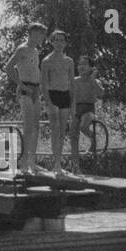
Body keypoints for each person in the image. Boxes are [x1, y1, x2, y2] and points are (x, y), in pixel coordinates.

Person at [6, 22, 48, 175]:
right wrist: (21, 85)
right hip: (26, 89)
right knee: (28, 126)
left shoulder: (36, 50)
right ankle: (23, 163)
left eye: (42, 35)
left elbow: (34, 69)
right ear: (30, 33)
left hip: (36, 89)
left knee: (36, 127)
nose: (40, 38)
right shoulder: (22, 49)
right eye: (38, 34)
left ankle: (32, 162)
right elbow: (9, 67)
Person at [40, 30, 75, 175]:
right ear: (52, 42)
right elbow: (43, 84)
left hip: (65, 96)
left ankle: (58, 163)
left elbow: (72, 83)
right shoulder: (47, 61)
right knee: (55, 130)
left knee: (61, 133)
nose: (59, 43)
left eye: (62, 40)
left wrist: (73, 104)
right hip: (53, 95)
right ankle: (55, 165)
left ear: (65, 43)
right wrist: (49, 102)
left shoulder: (69, 61)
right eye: (56, 40)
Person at [69, 55, 105, 170]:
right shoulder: (75, 81)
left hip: (89, 109)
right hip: (77, 108)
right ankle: (75, 165)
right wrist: (72, 112)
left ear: (91, 68)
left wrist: (93, 80)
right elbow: (72, 98)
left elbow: (101, 93)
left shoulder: (94, 81)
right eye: (79, 64)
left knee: (84, 126)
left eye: (84, 64)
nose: (81, 66)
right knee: (73, 135)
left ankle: (93, 138)